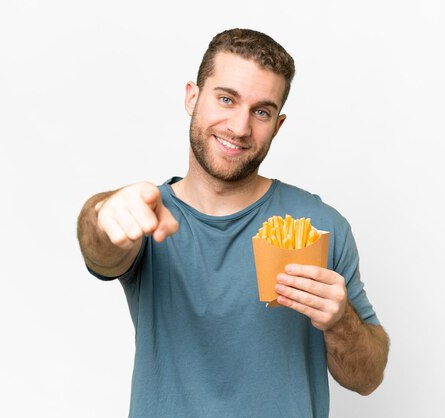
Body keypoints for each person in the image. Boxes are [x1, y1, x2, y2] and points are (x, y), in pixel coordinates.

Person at [77, 28, 389, 417]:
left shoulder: (320, 225)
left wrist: (340, 320)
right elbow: (101, 253)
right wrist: (101, 212)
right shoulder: (146, 216)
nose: (240, 127)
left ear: (278, 124)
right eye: (226, 99)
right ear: (192, 97)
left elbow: (368, 377)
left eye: (261, 111)